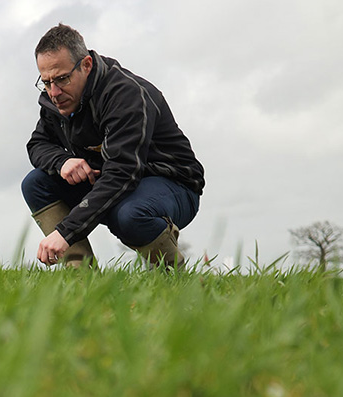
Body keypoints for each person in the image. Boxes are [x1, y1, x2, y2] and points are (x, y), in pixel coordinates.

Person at [22, 24, 205, 268]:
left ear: (86, 65)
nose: (54, 92)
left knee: (129, 215)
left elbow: (122, 175)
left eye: (62, 79)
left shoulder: (126, 96)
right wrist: (62, 161)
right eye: (46, 82)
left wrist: (65, 232)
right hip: (112, 182)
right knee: (36, 183)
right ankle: (81, 283)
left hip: (172, 184)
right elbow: (38, 144)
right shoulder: (57, 100)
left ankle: (175, 279)